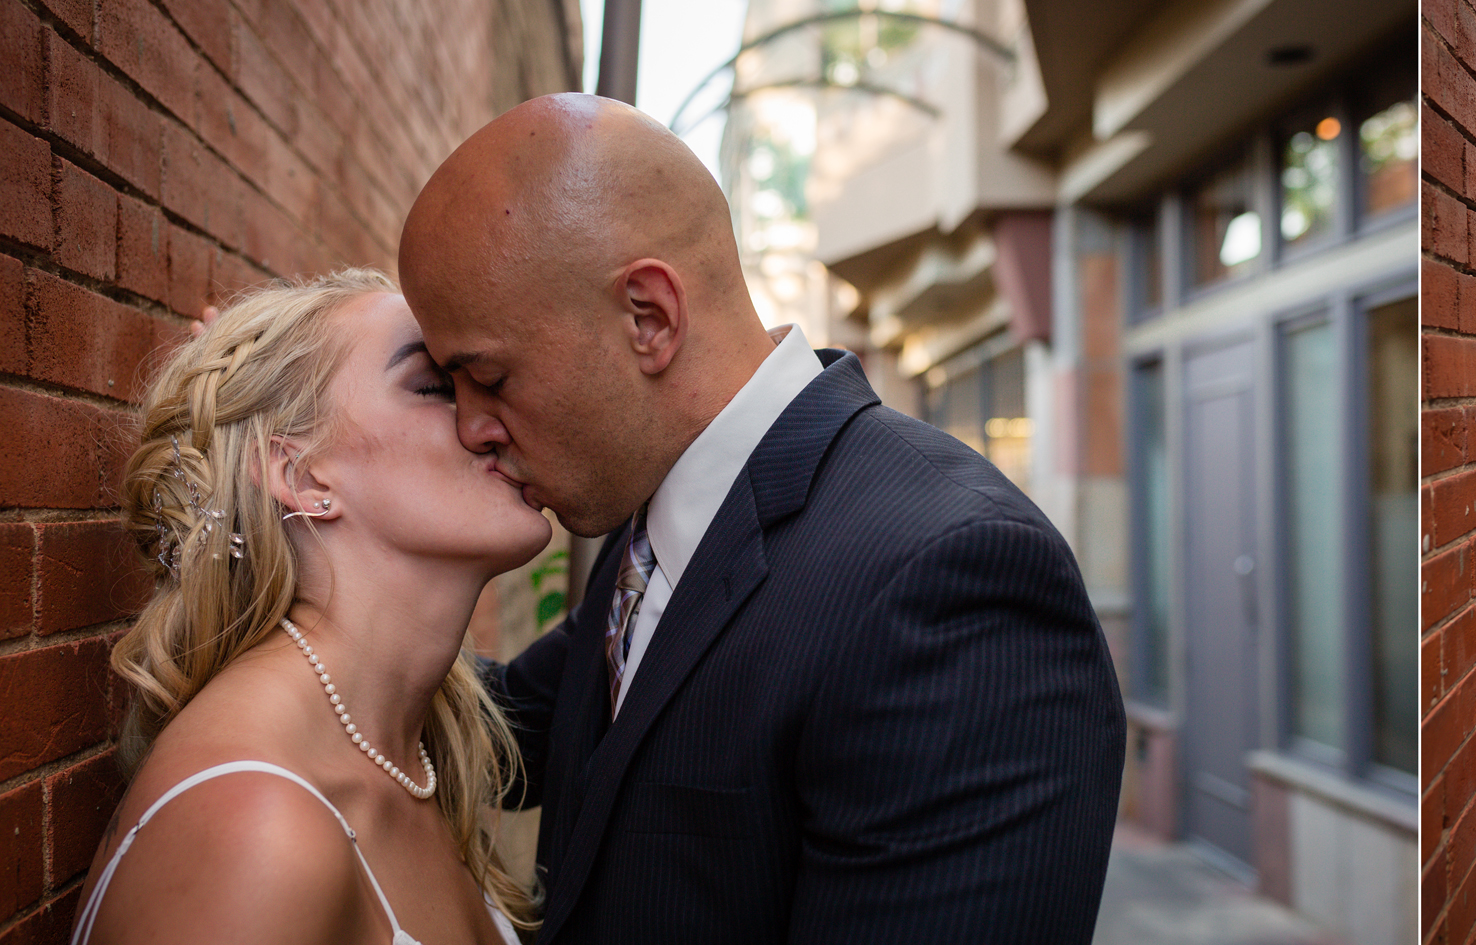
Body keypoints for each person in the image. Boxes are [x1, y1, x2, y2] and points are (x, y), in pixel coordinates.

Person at [396, 93, 1125, 944]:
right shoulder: (651, 521)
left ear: (648, 318)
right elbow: (507, 726)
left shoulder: (949, 578)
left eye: (488, 377)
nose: (471, 426)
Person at [74, 271, 547, 944]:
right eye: (436, 385)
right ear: (303, 476)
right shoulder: (256, 830)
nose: (491, 415)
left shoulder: (416, 756)